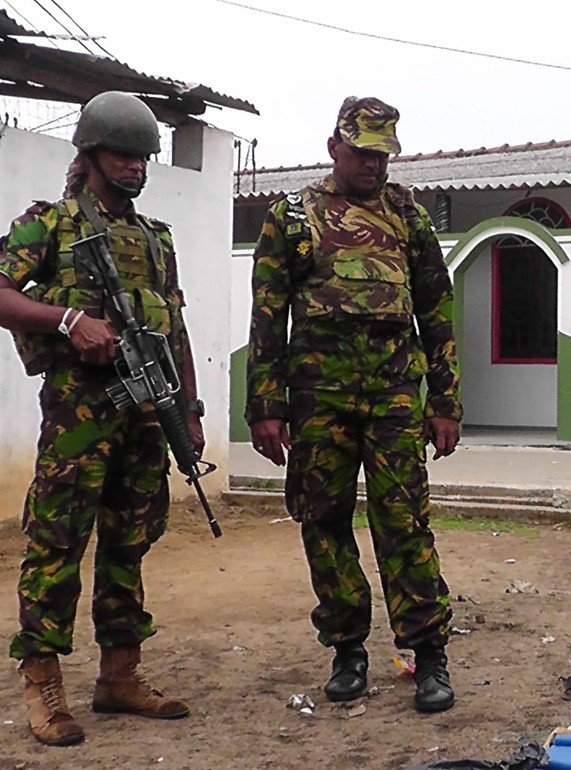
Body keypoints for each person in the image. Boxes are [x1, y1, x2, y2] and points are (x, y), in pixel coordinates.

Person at [246, 96, 463, 711]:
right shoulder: (291, 216)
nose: (374, 164)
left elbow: (436, 311)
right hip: (319, 399)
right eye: (363, 152)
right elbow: (268, 318)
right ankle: (347, 649)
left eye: (383, 154)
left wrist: (445, 400)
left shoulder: (407, 216)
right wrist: (265, 405)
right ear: (334, 146)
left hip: (394, 394)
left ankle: (429, 655)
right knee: (324, 522)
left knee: (404, 524)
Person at [0, 91, 199, 746]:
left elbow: (175, 326)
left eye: (144, 157)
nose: (136, 167)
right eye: (124, 154)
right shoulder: (50, 225)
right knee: (57, 543)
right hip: (80, 416)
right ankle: (43, 684)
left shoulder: (153, 238)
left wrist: (189, 410)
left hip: (146, 415)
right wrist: (67, 319)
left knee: (130, 543)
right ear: (90, 154)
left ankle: (120, 675)